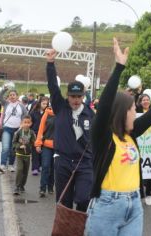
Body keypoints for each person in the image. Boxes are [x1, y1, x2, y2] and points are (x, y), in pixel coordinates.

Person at [85, 38, 151, 235]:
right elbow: (103, 107)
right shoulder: (102, 135)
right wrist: (119, 67)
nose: (135, 112)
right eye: (131, 109)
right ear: (120, 112)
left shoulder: (132, 133)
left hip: (135, 204)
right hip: (107, 205)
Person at [45, 49, 95, 212]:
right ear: (67, 96)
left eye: (79, 96)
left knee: (83, 199)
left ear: (83, 96)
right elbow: (53, 86)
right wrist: (50, 64)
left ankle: (80, 225)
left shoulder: (89, 113)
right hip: (63, 161)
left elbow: (96, 137)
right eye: (72, 96)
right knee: (64, 203)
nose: (75, 100)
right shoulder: (61, 107)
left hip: (84, 162)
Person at [0, 88, 28, 173]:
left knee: (13, 148)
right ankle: (2, 165)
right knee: (6, 147)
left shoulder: (21, 106)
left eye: (14, 95)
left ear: (17, 96)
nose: (12, 96)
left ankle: (10, 165)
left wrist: (23, 125)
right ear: (8, 97)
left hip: (17, 130)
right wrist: (4, 90)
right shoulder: (6, 103)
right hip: (6, 128)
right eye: (10, 95)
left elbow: (26, 115)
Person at [12, 115, 36, 195]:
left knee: (25, 172)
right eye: (25, 122)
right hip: (19, 154)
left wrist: (36, 143)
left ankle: (22, 185)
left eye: (28, 122)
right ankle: (17, 186)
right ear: (22, 123)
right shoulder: (18, 132)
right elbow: (14, 143)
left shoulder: (32, 133)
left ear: (31, 123)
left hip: (27, 155)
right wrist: (19, 146)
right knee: (19, 169)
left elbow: (34, 142)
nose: (26, 124)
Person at [35, 106, 55, 197]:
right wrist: (38, 143)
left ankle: (50, 187)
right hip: (46, 145)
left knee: (54, 168)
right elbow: (41, 129)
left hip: (59, 147)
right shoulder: (47, 113)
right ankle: (42, 189)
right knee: (46, 166)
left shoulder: (63, 113)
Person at [30, 96, 50, 175]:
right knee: (35, 151)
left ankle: (41, 165)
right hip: (35, 133)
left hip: (45, 135)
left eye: (46, 104)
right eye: (43, 103)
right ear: (40, 103)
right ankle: (35, 168)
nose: (45, 105)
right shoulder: (34, 112)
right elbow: (30, 122)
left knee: (42, 151)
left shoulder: (49, 113)